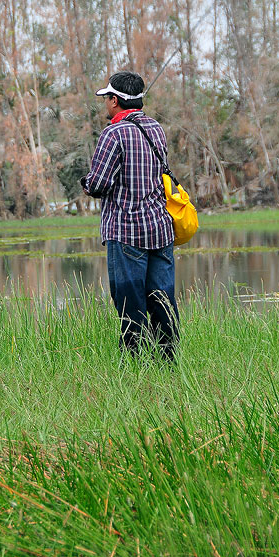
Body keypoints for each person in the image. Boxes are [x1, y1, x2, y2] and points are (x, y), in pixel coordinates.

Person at [81, 71, 179, 360]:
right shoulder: (156, 128)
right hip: (160, 228)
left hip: (126, 232)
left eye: (107, 98)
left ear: (115, 101)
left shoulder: (113, 133)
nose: (105, 104)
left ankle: (134, 363)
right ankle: (168, 361)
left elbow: (98, 185)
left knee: (129, 302)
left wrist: (86, 183)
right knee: (162, 299)